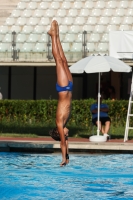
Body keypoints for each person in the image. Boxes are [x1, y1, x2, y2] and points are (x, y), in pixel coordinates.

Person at [48, 20, 73, 166]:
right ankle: (57, 35)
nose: (68, 134)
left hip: (63, 88)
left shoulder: (59, 123)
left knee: (58, 60)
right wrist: (69, 157)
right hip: (70, 86)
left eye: (66, 134)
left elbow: (63, 143)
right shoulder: (64, 124)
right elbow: (67, 143)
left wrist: (63, 158)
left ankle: (53, 36)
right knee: (64, 60)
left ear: (59, 133)